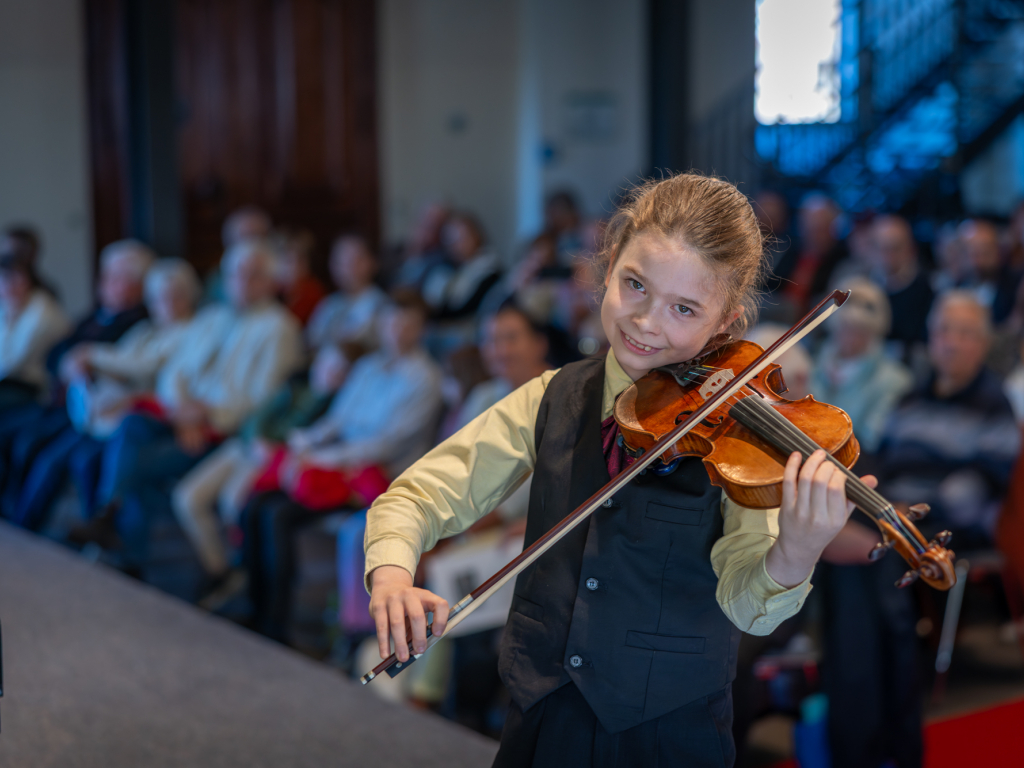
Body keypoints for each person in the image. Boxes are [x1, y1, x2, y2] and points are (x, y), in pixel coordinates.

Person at [364, 174, 878, 766]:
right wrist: (393, 576)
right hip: (541, 718)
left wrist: (797, 549)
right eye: (635, 285)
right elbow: (419, 495)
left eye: (684, 308)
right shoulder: (550, 396)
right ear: (607, 267)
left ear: (726, 323)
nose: (646, 322)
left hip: (668, 735)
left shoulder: (735, 438)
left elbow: (746, 604)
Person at [71, 240, 304, 571]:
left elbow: (263, 399)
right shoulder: (214, 317)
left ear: (270, 281)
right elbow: (174, 373)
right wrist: (183, 411)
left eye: (253, 275)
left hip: (224, 431)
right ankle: (115, 531)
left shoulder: (279, 328)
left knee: (135, 465)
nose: (242, 282)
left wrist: (203, 412)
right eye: (235, 274)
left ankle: (119, 538)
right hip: (183, 419)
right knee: (131, 426)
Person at [242, 290, 443, 641]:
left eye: (408, 325)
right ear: (381, 325)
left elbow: (384, 444)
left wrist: (323, 458)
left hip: (378, 478)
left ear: (420, 330)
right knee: (256, 504)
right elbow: (338, 419)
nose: (397, 331)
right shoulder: (368, 367)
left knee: (278, 515)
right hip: (340, 464)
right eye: (392, 322)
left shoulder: (424, 379)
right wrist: (304, 442)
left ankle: (277, 621)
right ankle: (254, 604)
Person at [12, 259, 201, 531]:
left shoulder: (191, 331)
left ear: (189, 297)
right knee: (48, 451)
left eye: (175, 297)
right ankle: (46, 528)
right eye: (160, 298)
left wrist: (90, 354)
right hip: (111, 410)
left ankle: (100, 529)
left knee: (83, 457)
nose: (167, 304)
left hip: (148, 416)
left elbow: (141, 365)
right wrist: (84, 363)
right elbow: (118, 360)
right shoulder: (146, 329)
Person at [173, 342, 361, 602]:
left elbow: (306, 444)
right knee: (187, 498)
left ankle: (241, 574)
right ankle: (220, 569)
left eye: (340, 371)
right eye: (328, 364)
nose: (331, 373)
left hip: (273, 462)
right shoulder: (295, 384)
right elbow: (258, 416)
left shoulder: (337, 407)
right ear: (318, 361)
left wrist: (274, 448)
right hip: (245, 446)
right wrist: (257, 438)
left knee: (233, 503)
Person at [0, 239, 153, 516]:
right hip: (63, 404)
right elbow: (57, 353)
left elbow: (112, 364)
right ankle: (12, 514)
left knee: (49, 457)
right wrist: (69, 361)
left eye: (120, 278)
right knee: (19, 437)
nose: (109, 284)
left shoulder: (138, 321)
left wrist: (83, 358)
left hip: (93, 413)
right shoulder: (97, 315)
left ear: (140, 286)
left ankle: (25, 525)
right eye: (108, 276)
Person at [809, 277, 914, 452]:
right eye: (844, 327)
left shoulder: (895, 380)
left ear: (872, 332)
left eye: (858, 331)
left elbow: (870, 440)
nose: (849, 337)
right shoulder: (815, 362)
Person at [0, 252, 70, 410]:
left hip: (35, 389)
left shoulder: (42, 311)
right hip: (9, 383)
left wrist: (9, 321)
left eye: (16, 278)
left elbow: (11, 364)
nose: (10, 285)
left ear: (29, 280)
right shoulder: (8, 307)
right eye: (4, 278)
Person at [305, 234, 388, 352]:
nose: (346, 267)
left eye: (355, 260)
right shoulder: (329, 302)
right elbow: (311, 341)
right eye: (340, 261)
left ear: (373, 262)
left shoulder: (381, 305)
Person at [869, 215, 934, 362]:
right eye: (882, 248)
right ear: (872, 249)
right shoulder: (862, 286)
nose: (888, 256)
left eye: (895, 248)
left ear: (910, 249)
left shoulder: (926, 289)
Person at [273, 229, 326, 326]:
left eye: (300, 260)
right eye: (288, 261)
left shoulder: (314, 292)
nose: (294, 267)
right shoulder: (271, 290)